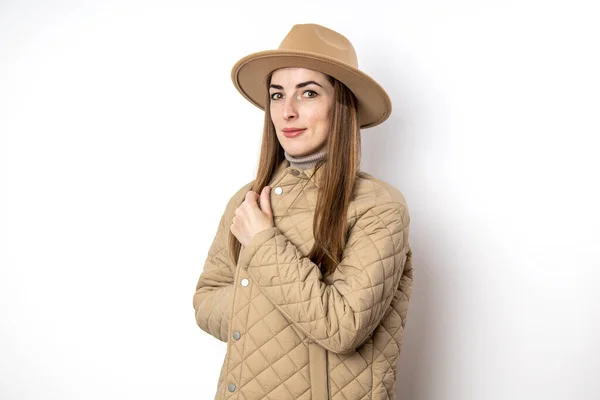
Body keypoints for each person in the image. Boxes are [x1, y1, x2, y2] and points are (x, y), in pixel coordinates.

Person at [192, 23, 414, 400]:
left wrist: (263, 242)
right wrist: (295, 306)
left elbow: (343, 328)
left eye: (308, 93)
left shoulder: (380, 206)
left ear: (342, 105)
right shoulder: (248, 200)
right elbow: (206, 300)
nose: (287, 111)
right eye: (277, 95)